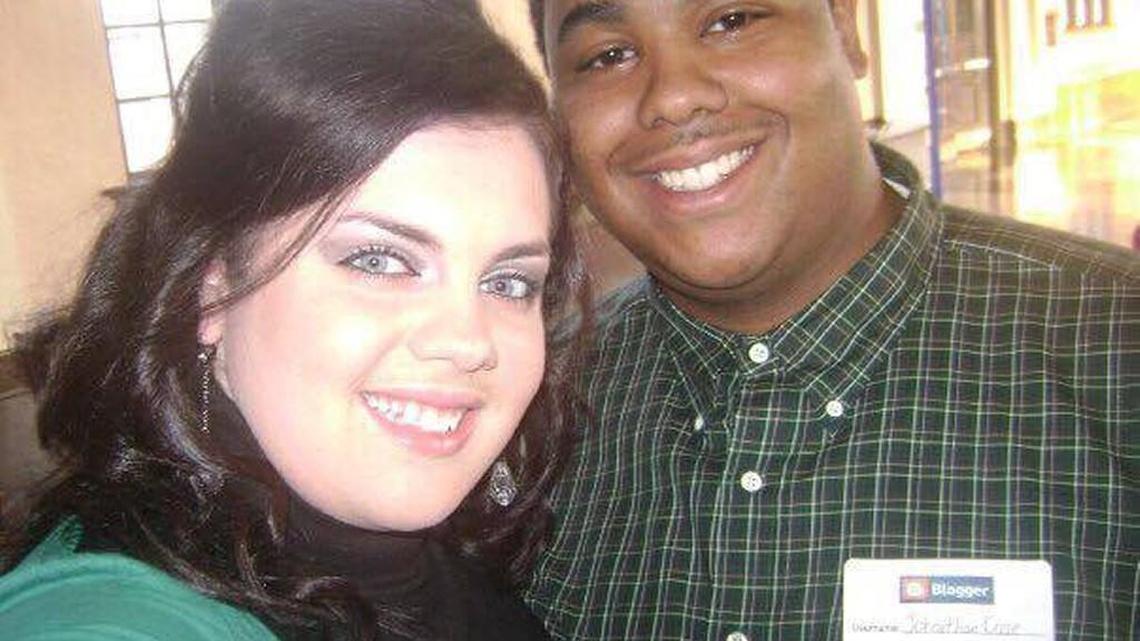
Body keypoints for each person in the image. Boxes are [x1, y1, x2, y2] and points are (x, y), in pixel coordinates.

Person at [522, 1, 1139, 640]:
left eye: (732, 21)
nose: (673, 97)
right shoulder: (527, 420)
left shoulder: (1117, 350)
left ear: (846, 30)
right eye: (609, 57)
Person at [0, 0, 586, 639]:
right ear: (212, 291)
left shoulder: (454, 556)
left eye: (508, 282)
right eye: (379, 260)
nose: (468, 341)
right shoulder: (112, 619)